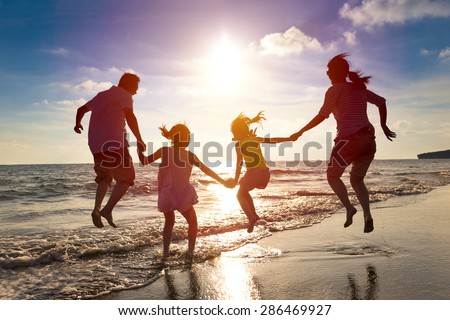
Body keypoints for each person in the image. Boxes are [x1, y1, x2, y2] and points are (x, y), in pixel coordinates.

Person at [290, 53, 396, 233]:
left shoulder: (334, 90)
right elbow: (381, 102)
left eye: (329, 70)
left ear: (336, 73)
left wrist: (301, 131)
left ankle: (349, 208)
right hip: (369, 140)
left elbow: (322, 115)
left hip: (347, 140)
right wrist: (384, 126)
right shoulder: (358, 88)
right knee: (357, 179)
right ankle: (367, 215)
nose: (327, 72)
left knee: (332, 176)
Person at [138, 123, 234, 261]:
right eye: (187, 137)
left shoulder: (165, 150)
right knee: (193, 222)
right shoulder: (189, 155)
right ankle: (190, 252)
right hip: (182, 194)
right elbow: (206, 170)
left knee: (169, 222)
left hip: (167, 194)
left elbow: (144, 161)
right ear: (182, 139)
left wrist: (139, 150)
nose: (189, 139)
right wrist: (223, 181)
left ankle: (165, 254)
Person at [74, 72, 146, 228]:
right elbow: (130, 116)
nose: (136, 91)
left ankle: (96, 209)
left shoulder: (101, 95)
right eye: (135, 87)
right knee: (127, 178)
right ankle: (107, 210)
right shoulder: (125, 95)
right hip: (115, 143)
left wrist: (77, 124)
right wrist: (139, 139)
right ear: (128, 85)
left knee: (105, 177)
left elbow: (81, 109)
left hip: (96, 145)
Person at [231, 111, 294, 233]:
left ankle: (252, 217)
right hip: (263, 172)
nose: (233, 135)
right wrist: (288, 139)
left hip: (254, 172)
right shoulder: (254, 138)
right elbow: (272, 140)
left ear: (238, 132)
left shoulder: (238, 145)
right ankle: (253, 215)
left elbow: (239, 164)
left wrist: (235, 179)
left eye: (234, 132)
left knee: (240, 194)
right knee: (244, 192)